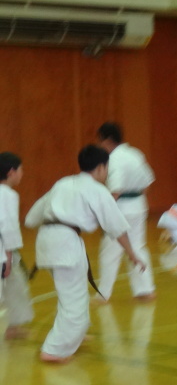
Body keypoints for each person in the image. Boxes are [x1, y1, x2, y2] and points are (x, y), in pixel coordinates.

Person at [25, 145, 145, 363]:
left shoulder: (62, 183)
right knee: (74, 298)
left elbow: (32, 218)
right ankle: (54, 350)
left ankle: (75, 335)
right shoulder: (97, 190)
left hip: (47, 240)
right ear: (100, 168)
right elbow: (117, 227)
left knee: (71, 292)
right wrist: (132, 254)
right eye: (107, 168)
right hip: (66, 242)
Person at [95, 122, 156, 302]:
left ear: (107, 140)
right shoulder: (135, 153)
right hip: (139, 205)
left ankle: (103, 294)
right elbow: (148, 182)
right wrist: (137, 199)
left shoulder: (113, 159)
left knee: (110, 251)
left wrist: (104, 212)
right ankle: (145, 290)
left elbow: (115, 190)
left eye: (100, 141)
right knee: (137, 247)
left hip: (120, 208)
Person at [0, 152, 34, 339]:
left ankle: (13, 328)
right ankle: (13, 327)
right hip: (3, 251)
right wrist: (8, 256)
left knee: (16, 286)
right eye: (21, 170)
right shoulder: (8, 195)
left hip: (4, 249)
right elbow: (8, 226)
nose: (22, 174)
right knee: (12, 286)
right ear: (11, 172)